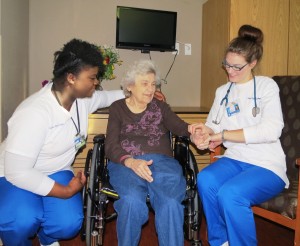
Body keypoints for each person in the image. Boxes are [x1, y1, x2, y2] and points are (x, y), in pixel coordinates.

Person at [0, 39, 125, 246]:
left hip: (56, 169)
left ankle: (47, 238)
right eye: (92, 78)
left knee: (68, 223)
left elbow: (108, 97)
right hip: (14, 175)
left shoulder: (82, 100)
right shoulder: (34, 113)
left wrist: (140, 93)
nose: (96, 83)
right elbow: (19, 172)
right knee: (21, 220)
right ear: (71, 78)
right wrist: (66, 191)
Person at [189, 24, 289, 246]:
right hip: (235, 160)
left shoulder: (266, 87)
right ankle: (221, 242)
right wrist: (202, 134)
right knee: (205, 179)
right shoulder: (222, 91)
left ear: (252, 63)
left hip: (266, 165)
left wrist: (223, 134)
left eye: (237, 66)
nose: (230, 71)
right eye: (226, 64)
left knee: (230, 195)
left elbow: (271, 130)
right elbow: (212, 127)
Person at [105, 59, 197, 246]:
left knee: (171, 203)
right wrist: (130, 161)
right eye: (144, 83)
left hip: (162, 163)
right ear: (130, 86)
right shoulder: (117, 108)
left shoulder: (161, 108)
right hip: (126, 164)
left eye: (153, 84)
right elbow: (111, 145)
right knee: (131, 202)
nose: (150, 89)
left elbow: (180, 127)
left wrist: (195, 131)